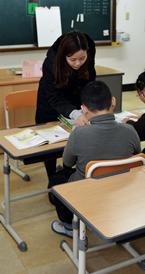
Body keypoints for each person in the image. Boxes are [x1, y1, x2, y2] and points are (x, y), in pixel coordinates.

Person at [50, 81, 141, 237]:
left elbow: (67, 163)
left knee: (57, 180)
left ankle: (69, 225)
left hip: (87, 190)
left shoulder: (78, 134)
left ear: (83, 109)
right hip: (123, 188)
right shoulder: (130, 130)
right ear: (113, 102)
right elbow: (137, 156)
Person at [36, 30, 96, 181]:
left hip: (76, 95)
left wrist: (90, 105)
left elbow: (90, 79)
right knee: (49, 146)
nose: (78, 63)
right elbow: (54, 97)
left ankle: (68, 175)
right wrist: (74, 113)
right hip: (50, 103)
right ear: (63, 56)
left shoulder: (89, 48)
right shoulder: (51, 63)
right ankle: (52, 181)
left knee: (73, 139)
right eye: (72, 59)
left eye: (82, 58)